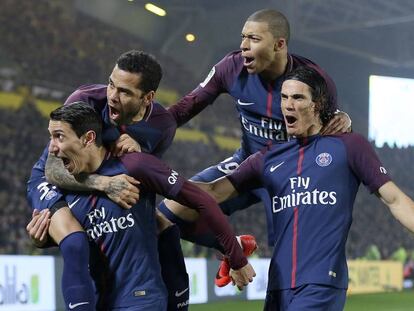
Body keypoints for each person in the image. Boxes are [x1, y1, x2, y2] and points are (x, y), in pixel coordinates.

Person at [173, 66, 414, 310]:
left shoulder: (349, 146)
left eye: (298, 97)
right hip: (278, 286)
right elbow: (214, 192)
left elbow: (394, 199)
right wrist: (158, 178)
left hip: (321, 282)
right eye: (284, 97)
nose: (288, 104)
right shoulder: (268, 157)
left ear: (317, 105)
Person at [159, 8, 351, 286]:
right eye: (242, 37)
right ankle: (233, 247)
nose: (243, 46)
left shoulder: (314, 80)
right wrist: (144, 135)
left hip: (291, 176)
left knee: (292, 261)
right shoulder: (231, 67)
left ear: (279, 44)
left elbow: (333, 132)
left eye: (253, 38)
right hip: (248, 163)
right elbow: (186, 107)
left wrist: (345, 120)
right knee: (169, 214)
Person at [36, 102, 255, 310]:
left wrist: (234, 255)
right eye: (51, 137)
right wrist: (41, 239)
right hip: (99, 302)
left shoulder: (135, 165)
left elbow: (201, 199)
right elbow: (75, 236)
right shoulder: (65, 186)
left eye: (59, 137)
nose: (51, 149)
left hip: (141, 299)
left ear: (88, 138)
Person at [26, 50, 183, 310]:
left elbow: (143, 174)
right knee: (75, 242)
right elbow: (53, 168)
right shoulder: (84, 100)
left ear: (147, 98)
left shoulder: (162, 127)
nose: (112, 95)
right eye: (111, 84)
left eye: (124, 91)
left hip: (91, 178)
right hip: (49, 179)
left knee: (164, 228)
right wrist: (104, 184)